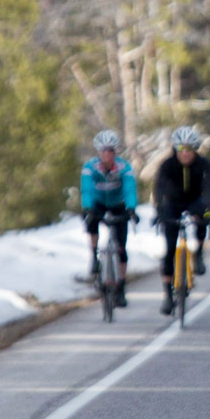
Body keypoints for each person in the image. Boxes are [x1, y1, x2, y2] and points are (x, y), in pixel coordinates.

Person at [154, 125, 210, 315]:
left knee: (202, 216)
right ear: (175, 149)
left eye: (190, 149)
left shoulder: (203, 164)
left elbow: (209, 190)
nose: (186, 153)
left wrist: (209, 213)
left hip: (195, 201)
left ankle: (198, 254)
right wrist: (159, 212)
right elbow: (159, 189)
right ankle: (167, 295)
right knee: (169, 250)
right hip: (173, 203)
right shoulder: (167, 165)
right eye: (182, 149)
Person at [81, 129, 138, 307]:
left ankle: (120, 287)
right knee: (90, 221)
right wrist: (88, 208)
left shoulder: (124, 167)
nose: (107, 154)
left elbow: (129, 189)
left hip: (118, 204)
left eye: (111, 150)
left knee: (121, 247)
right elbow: (87, 190)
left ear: (115, 152)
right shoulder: (89, 168)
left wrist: (131, 208)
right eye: (103, 150)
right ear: (98, 152)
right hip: (97, 202)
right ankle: (94, 255)